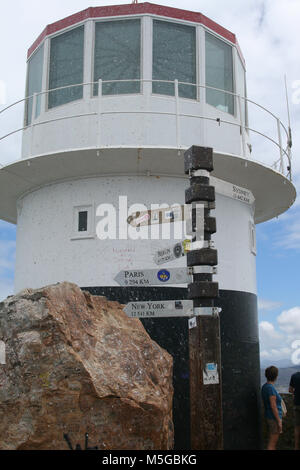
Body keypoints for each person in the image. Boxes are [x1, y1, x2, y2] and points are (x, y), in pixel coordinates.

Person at [261, 366, 283, 450]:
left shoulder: (265, 387)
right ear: (276, 376)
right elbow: (273, 406)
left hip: (269, 416)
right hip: (273, 418)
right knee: (272, 443)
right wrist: (279, 421)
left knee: (271, 442)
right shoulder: (271, 389)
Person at [289, 369, 300, 450]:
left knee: (297, 427)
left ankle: (296, 447)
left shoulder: (294, 376)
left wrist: (294, 394)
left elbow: (290, 390)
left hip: (297, 404)